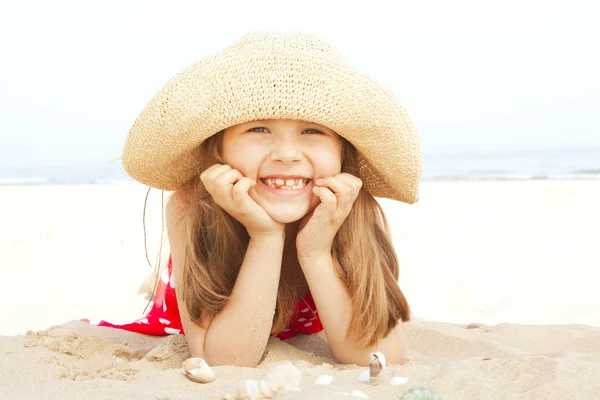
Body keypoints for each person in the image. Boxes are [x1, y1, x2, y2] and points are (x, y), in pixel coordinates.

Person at [84, 31, 423, 368]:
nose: (287, 154)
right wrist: (265, 237)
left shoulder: (354, 211)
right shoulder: (191, 207)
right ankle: (157, 282)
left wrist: (316, 252)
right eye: (259, 129)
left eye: (312, 131)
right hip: (212, 312)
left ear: (342, 152)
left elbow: (381, 358)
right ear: (219, 148)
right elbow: (223, 361)